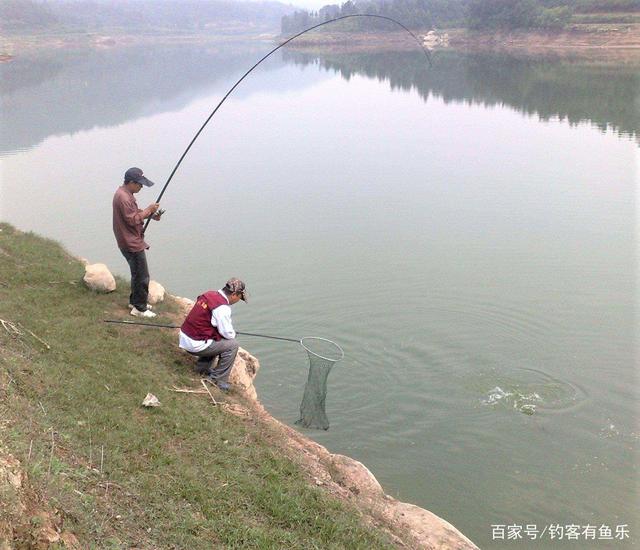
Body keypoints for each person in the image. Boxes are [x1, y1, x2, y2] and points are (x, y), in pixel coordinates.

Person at [179, 278, 248, 392]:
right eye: (239, 298)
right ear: (234, 294)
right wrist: (233, 334)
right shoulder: (222, 308)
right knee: (232, 345)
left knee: (217, 339)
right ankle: (217, 380)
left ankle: (202, 369)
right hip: (195, 343)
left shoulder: (209, 294)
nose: (237, 301)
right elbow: (228, 334)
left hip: (185, 336)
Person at [112, 167, 162, 318]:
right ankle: (139, 309)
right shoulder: (124, 197)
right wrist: (148, 209)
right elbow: (132, 219)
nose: (141, 187)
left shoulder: (125, 194)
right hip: (130, 243)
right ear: (131, 182)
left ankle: (135, 301)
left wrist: (151, 215)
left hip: (130, 240)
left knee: (136, 273)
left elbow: (133, 214)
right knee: (142, 275)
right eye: (139, 184)